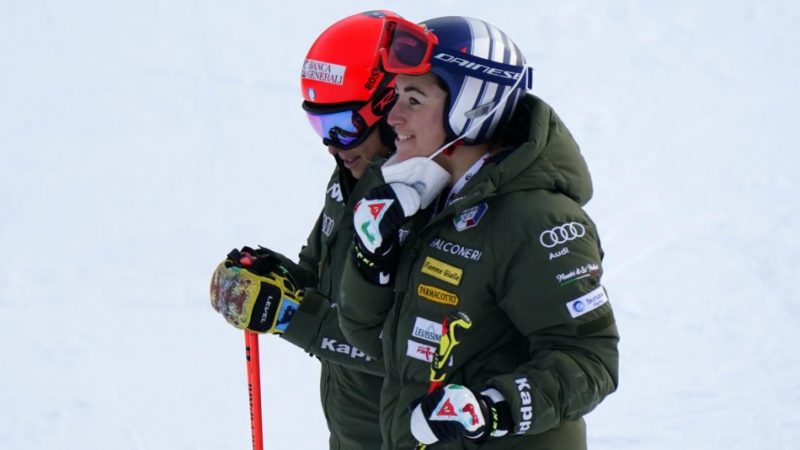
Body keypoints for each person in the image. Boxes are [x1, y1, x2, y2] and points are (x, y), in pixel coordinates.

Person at [338, 15, 620, 449]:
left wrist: (493, 408)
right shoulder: (426, 203)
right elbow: (372, 342)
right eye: (396, 96)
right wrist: (371, 260)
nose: (392, 117)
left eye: (414, 100)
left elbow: (591, 360)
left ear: (473, 107)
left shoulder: (537, 219)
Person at [209, 10, 403, 450]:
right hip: (353, 433)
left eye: (342, 126)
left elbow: (412, 352)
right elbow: (323, 280)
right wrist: (273, 279)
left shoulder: (421, 202)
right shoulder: (349, 178)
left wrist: (290, 316)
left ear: (389, 108)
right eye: (319, 126)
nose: (331, 145)